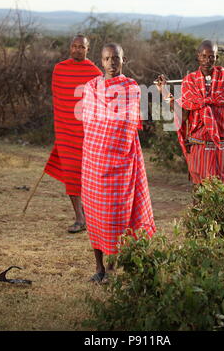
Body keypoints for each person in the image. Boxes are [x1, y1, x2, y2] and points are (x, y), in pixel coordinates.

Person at [81, 43, 156, 283]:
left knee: (116, 215)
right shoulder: (91, 87)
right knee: (93, 215)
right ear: (100, 61)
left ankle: (113, 268)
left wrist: (109, 137)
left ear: (124, 60)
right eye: (107, 58)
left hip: (120, 162)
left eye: (116, 58)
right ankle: (99, 268)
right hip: (94, 161)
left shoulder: (131, 88)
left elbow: (123, 124)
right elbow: (88, 123)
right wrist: (99, 141)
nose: (111, 63)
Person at [156, 40, 224, 185]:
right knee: (199, 190)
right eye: (204, 56)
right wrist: (164, 92)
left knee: (221, 189)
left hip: (222, 145)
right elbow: (183, 115)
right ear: (198, 56)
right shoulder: (189, 81)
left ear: (216, 58)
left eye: (211, 57)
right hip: (198, 145)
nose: (207, 60)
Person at [44, 33, 102, 233]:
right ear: (70, 47)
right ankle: (79, 218)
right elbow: (59, 101)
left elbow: (99, 105)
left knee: (87, 177)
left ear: (88, 49)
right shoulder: (59, 70)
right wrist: (60, 128)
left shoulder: (95, 73)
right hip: (65, 133)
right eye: (74, 46)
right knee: (70, 175)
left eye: (82, 47)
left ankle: (91, 216)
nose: (77, 50)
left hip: (87, 134)